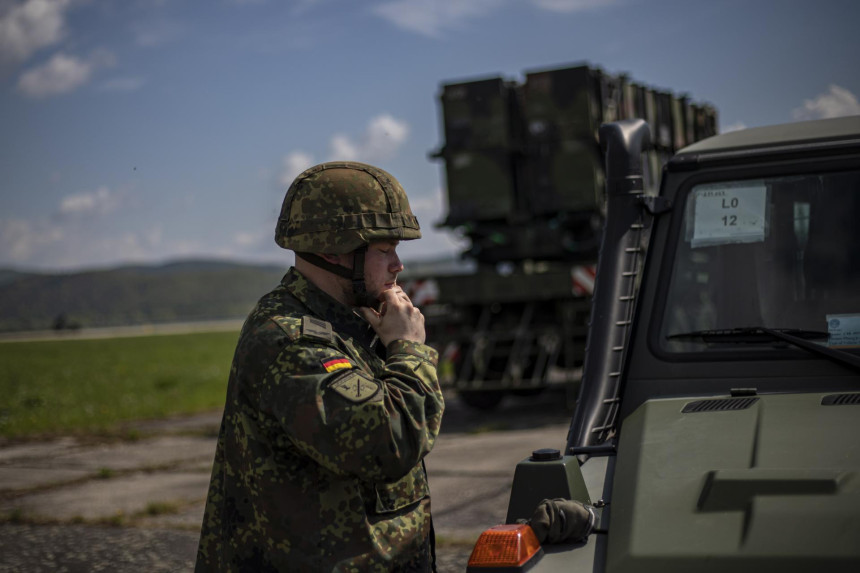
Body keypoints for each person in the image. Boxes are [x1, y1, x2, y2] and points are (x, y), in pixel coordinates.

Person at [195, 161, 445, 572]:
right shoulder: (291, 339)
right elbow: (389, 440)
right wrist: (407, 349)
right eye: (384, 250)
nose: (398, 265)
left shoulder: (347, 321)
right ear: (334, 249)